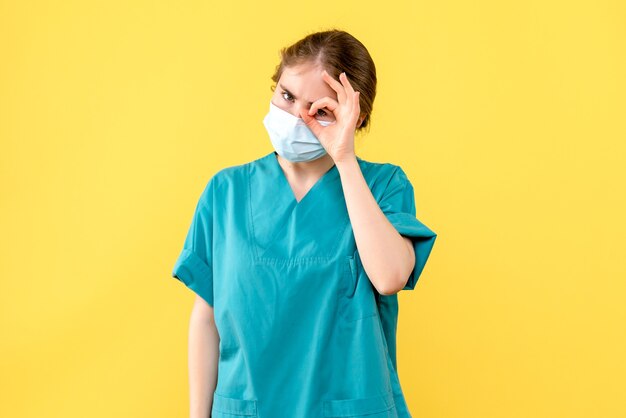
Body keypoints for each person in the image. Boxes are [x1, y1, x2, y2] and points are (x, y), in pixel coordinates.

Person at [171, 29, 437, 418]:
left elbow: (390, 277)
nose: (298, 117)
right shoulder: (225, 192)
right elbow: (207, 318)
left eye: (321, 109)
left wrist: (344, 159)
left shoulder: (383, 187)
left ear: (355, 117)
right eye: (287, 95)